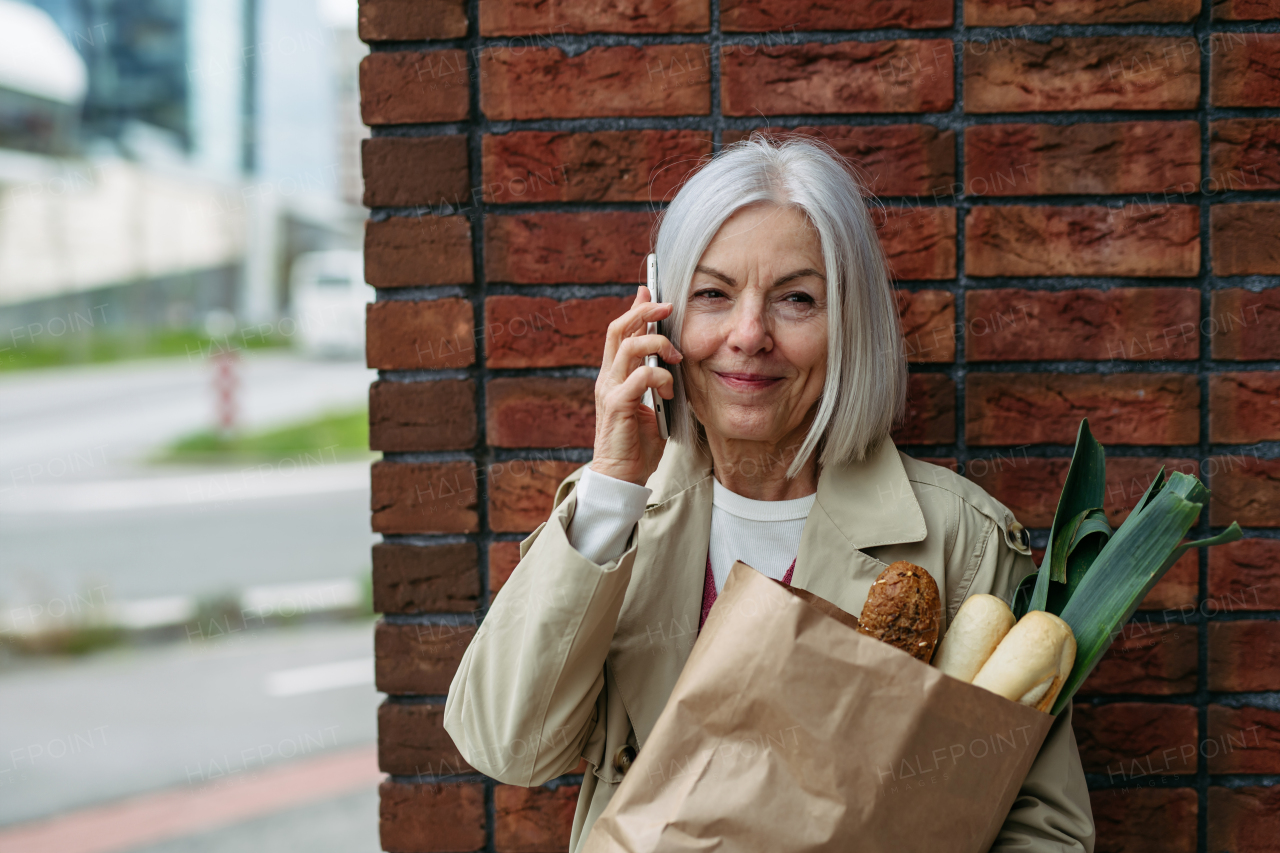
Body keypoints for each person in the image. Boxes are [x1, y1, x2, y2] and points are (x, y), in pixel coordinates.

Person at [444, 133, 1095, 852]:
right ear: (662, 319)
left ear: (850, 324)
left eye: (796, 299)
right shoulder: (617, 522)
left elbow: (1045, 829)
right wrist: (610, 483)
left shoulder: (959, 539)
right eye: (713, 294)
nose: (749, 334)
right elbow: (509, 746)